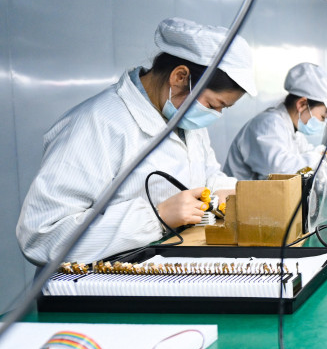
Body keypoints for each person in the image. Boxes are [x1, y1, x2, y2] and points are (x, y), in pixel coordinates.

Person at [16, 18, 256, 265]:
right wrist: (157, 217)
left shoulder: (182, 116)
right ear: (180, 77)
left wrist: (226, 192)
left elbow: (206, 174)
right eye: (213, 105)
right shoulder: (97, 123)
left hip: (160, 271)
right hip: (95, 290)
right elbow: (42, 236)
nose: (214, 115)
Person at [223, 62, 327, 180]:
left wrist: (322, 153)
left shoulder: (290, 128)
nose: (322, 123)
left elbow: (303, 152)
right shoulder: (269, 125)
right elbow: (279, 169)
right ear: (302, 104)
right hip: (241, 197)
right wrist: (317, 159)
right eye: (322, 117)